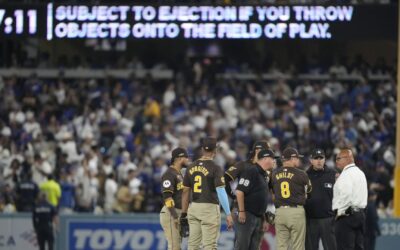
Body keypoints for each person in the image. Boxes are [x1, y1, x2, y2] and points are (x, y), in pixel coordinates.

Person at [181, 137, 233, 250]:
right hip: (209, 208)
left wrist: (184, 213)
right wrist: (228, 213)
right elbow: (220, 191)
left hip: (193, 207)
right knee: (209, 246)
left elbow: (185, 192)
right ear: (215, 151)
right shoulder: (215, 167)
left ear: (202, 149)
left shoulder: (191, 167)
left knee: (193, 246)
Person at [271, 147, 312, 250]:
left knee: (281, 246)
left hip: (280, 212)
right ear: (293, 158)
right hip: (295, 212)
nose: (298, 160)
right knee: (297, 246)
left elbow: (272, 193)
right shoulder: (301, 174)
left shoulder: (274, 174)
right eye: (297, 158)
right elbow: (309, 191)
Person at [234, 149, 275, 250]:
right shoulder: (251, 171)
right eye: (272, 158)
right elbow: (239, 192)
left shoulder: (265, 175)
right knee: (242, 246)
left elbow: (262, 198)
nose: (274, 161)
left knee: (254, 247)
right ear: (265, 159)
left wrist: (264, 219)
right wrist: (242, 211)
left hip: (258, 217)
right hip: (247, 215)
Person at [333, 149, 367, 250]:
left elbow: (345, 195)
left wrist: (339, 213)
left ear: (348, 159)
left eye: (338, 158)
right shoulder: (361, 173)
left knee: (344, 247)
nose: (336, 161)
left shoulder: (346, 174)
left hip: (346, 216)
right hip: (360, 215)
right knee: (358, 247)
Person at [305, 149, 337, 250]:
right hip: (311, 220)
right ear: (311, 160)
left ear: (325, 159)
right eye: (316, 158)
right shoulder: (305, 175)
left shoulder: (333, 175)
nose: (319, 161)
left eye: (321, 158)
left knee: (331, 247)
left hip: (328, 219)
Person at [160, 147, 189, 250]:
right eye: (186, 157)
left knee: (177, 246)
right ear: (180, 158)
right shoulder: (169, 173)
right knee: (174, 247)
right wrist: (175, 215)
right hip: (171, 213)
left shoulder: (178, 173)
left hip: (178, 213)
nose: (188, 160)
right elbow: (167, 197)